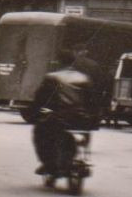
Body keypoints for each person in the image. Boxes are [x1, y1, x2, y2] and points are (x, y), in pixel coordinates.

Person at [31, 49, 102, 178]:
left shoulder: (52, 77)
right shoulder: (84, 78)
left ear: (58, 62)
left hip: (58, 118)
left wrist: (35, 112)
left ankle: (48, 163)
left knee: (40, 133)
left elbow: (40, 98)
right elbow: (93, 100)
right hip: (82, 118)